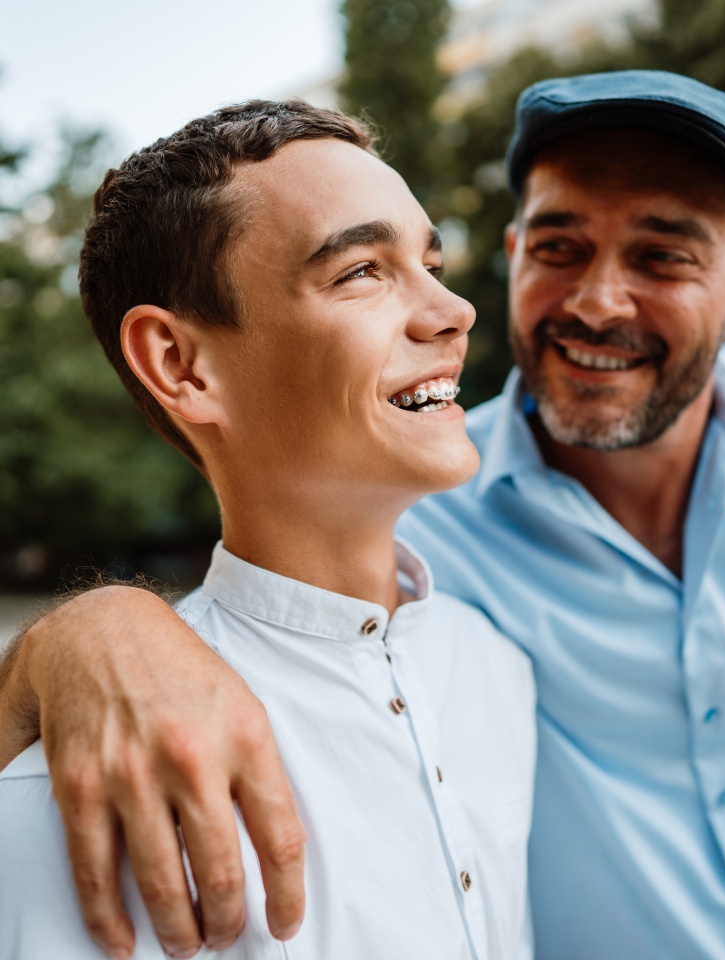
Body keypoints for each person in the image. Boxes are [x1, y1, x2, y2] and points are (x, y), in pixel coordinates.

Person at [2, 69, 725, 959]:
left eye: (663, 254)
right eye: (557, 247)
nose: (594, 297)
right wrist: (81, 637)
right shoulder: (421, 511)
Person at [0, 100, 537, 960]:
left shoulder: (499, 668)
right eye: (361, 270)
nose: (454, 311)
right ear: (182, 365)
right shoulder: (75, 803)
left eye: (430, 262)